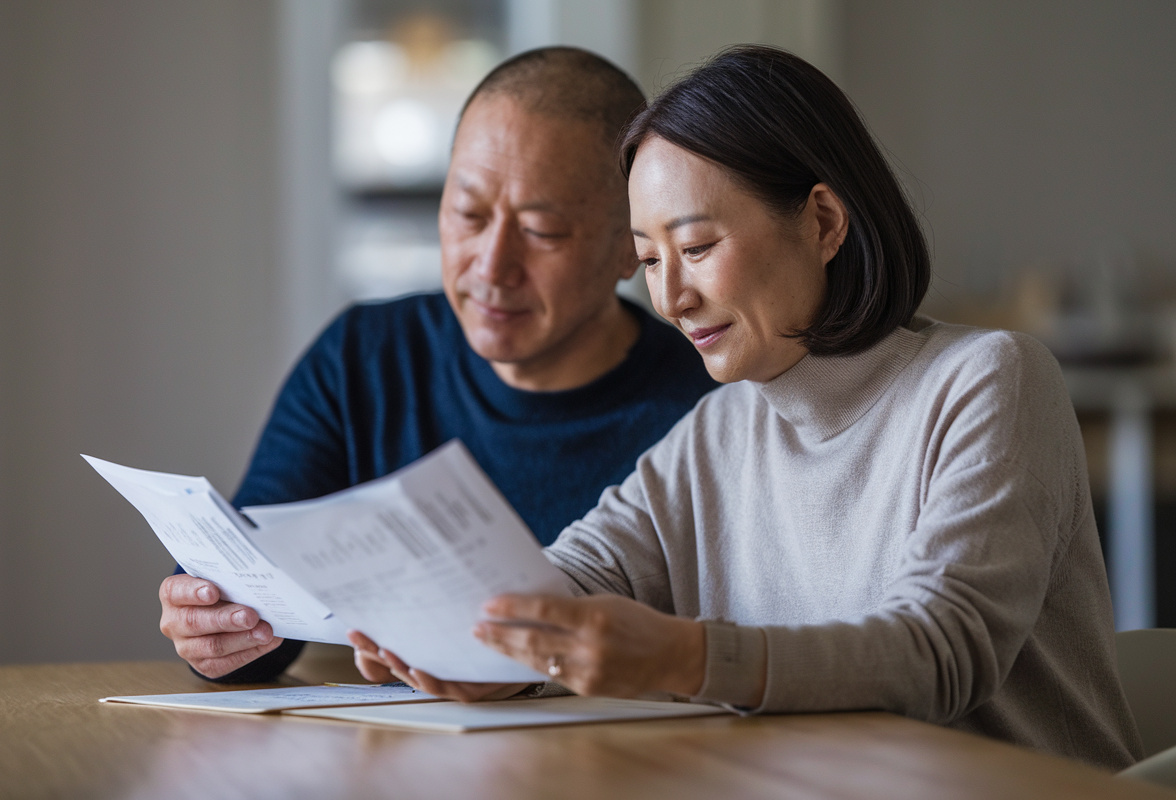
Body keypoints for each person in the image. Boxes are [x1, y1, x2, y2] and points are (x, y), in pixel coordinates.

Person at [352, 45, 1143, 770]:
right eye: (651, 260)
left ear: (824, 223)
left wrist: (684, 658)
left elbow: (941, 654)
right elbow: (576, 576)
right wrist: (478, 645)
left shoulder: (987, 380)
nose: (671, 297)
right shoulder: (719, 429)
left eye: (696, 249)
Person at [156, 47, 719, 683]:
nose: (491, 265)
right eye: (469, 215)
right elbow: (260, 589)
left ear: (629, 250)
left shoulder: (707, 408)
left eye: (541, 231)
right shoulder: (365, 358)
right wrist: (216, 620)